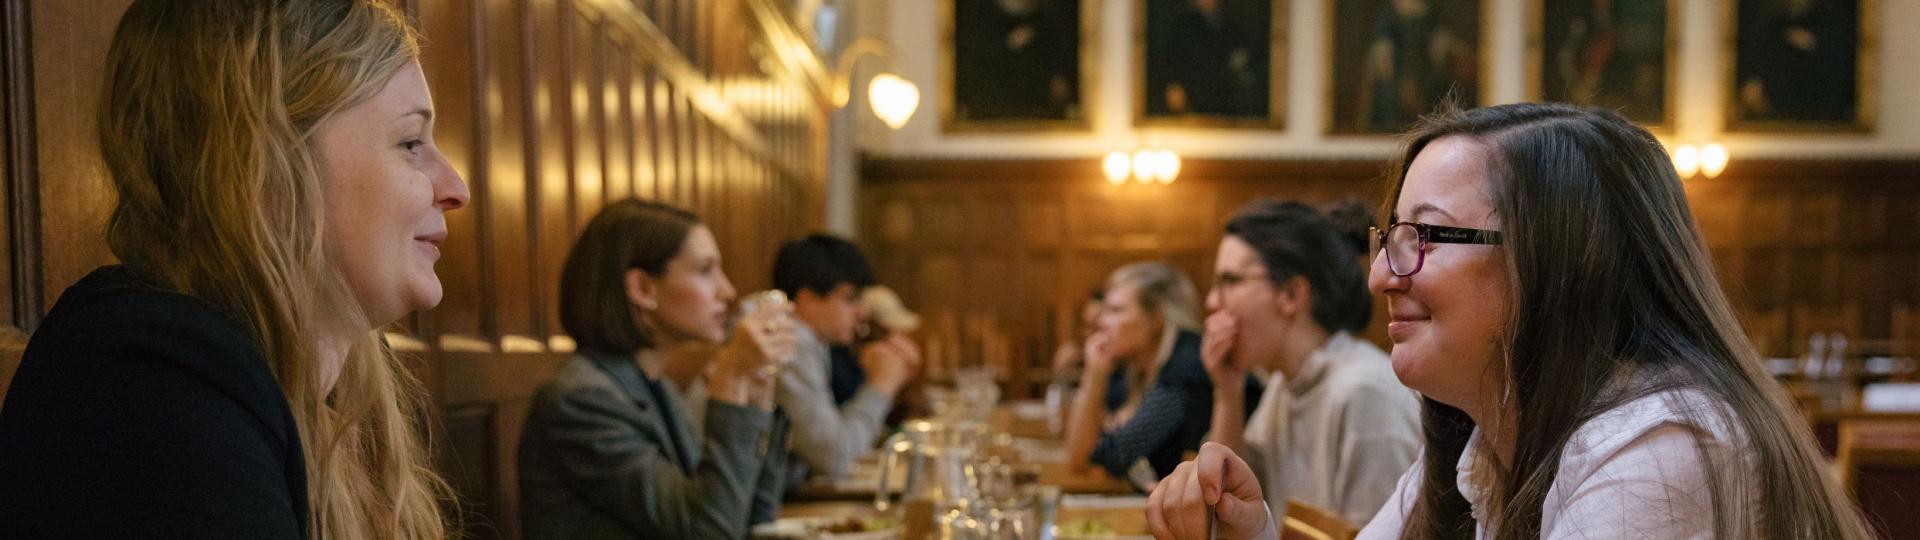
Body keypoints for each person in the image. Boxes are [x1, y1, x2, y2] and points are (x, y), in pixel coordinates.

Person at [1147, 103, 1873, 539]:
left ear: (1556, 263)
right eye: (1389, 240)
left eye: (1424, 238)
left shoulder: (1663, 452)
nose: (1378, 277)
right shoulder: (1483, 440)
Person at [0, 1, 460, 537]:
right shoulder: (150, 384)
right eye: (410, 143)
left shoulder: (332, 388)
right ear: (268, 160)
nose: (455, 188)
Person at [517, 199, 797, 538]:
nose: (727, 290)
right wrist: (731, 379)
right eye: (706, 270)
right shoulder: (581, 401)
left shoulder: (656, 388)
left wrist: (758, 396)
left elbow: (754, 521)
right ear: (642, 288)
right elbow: (710, 532)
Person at [1199, 199, 1420, 525]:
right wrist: (1227, 393)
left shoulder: (1365, 393)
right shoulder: (1283, 385)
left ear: (1291, 295)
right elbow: (1229, 509)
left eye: (1230, 281)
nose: (1212, 301)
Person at [1064, 261, 1260, 489]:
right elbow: (1084, 459)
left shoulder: (1185, 371)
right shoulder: (1140, 368)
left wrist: (1094, 377)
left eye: (1115, 311)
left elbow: (1097, 461)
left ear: (1156, 319)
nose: (1100, 322)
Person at [773, 234, 923, 482]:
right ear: (807, 299)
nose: (863, 313)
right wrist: (881, 385)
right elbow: (834, 456)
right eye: (850, 299)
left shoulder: (815, 344)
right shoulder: (791, 344)